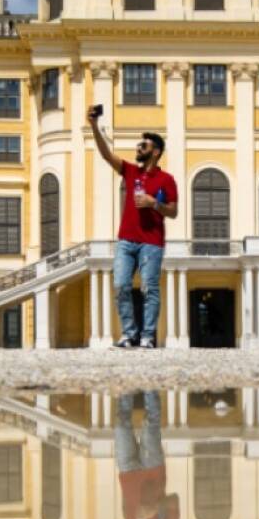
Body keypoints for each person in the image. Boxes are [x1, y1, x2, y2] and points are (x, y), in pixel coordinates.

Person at [89, 110, 179, 350]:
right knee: (121, 285)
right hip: (126, 241)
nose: (138, 148)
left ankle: (148, 336)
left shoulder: (166, 180)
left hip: (152, 242)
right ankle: (129, 334)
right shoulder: (130, 171)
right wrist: (94, 125)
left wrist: (154, 204)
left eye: (143, 145)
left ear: (156, 152)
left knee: (150, 288)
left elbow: (173, 211)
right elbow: (106, 154)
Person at [115, 390, 178, 519]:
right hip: (152, 469)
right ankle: (150, 386)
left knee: (121, 425)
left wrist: (126, 497)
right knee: (150, 425)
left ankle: (127, 384)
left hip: (127, 473)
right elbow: (175, 500)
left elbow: (127, 511)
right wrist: (154, 509)